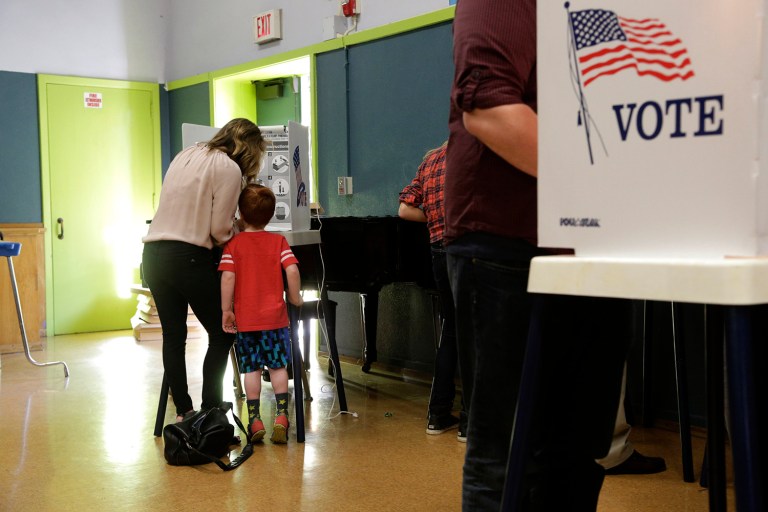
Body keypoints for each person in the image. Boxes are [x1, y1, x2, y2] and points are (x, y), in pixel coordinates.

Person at [445, 1, 634, 510]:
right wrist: (614, 186)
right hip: (509, 236)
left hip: (593, 244)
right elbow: (488, 107)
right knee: (509, 454)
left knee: (578, 450)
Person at [142, 118, 266, 423]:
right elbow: (219, 230)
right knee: (222, 334)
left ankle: (184, 412)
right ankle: (212, 409)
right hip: (188, 256)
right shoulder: (228, 168)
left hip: (153, 254)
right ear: (248, 148)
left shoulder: (187, 153)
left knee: (174, 336)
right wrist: (242, 232)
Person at [219, 184, 303, 444]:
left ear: (241, 215)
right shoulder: (278, 241)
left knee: (251, 369)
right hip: (275, 320)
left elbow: (228, 278)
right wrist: (295, 296)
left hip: (248, 321)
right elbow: (291, 270)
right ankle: (281, 416)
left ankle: (254, 419)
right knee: (278, 366)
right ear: (271, 215)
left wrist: (227, 310)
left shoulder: (233, 244)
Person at [398, 141, 468, 442]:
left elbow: (404, 209)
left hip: (438, 250)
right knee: (473, 334)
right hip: (468, 250)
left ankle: (438, 416)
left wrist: (439, 220)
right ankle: (470, 422)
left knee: (451, 331)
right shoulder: (471, 155)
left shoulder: (431, 160)